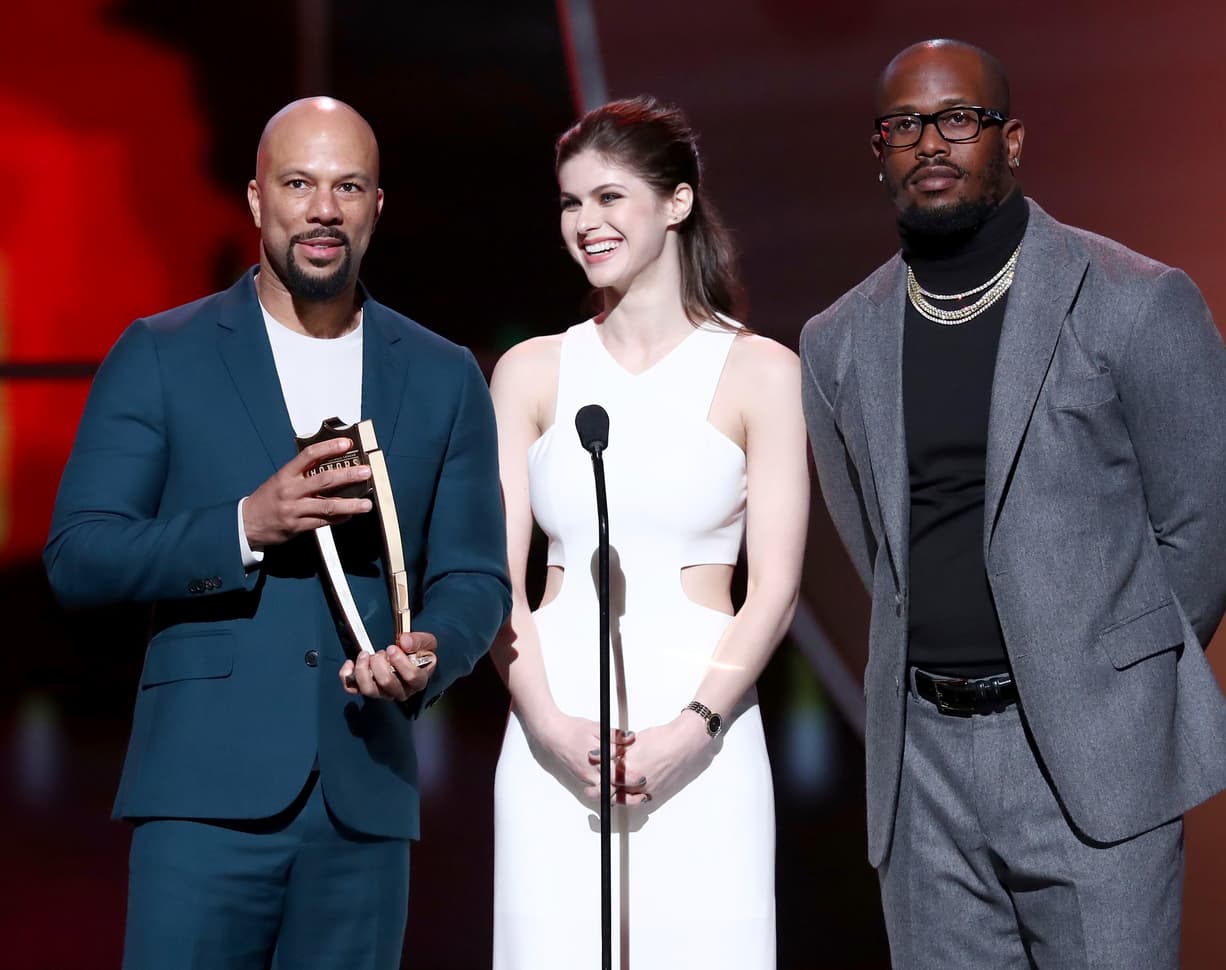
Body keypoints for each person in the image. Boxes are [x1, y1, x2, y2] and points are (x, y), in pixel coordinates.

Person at [801, 39, 1226, 968]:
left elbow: (1207, 520)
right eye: (906, 126)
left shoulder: (1135, 301)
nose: (932, 142)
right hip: (921, 767)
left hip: (1092, 756)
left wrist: (1110, 680)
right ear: (879, 150)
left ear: (1011, 142)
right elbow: (872, 542)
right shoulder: (838, 340)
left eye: (959, 119)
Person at [44, 97, 511, 969]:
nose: (323, 208)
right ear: (257, 199)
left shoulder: (443, 375)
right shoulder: (162, 352)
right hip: (198, 799)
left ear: (378, 206)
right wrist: (243, 528)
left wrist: (431, 651)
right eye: (299, 183)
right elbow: (80, 555)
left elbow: (477, 575)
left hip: (363, 799)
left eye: (347, 186)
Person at [488, 96, 808, 969]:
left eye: (608, 197)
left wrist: (692, 729)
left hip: (703, 732)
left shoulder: (760, 370)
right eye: (569, 203)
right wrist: (549, 725)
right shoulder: (531, 371)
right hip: (554, 728)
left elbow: (773, 585)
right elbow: (497, 579)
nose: (585, 222)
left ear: (676, 203)